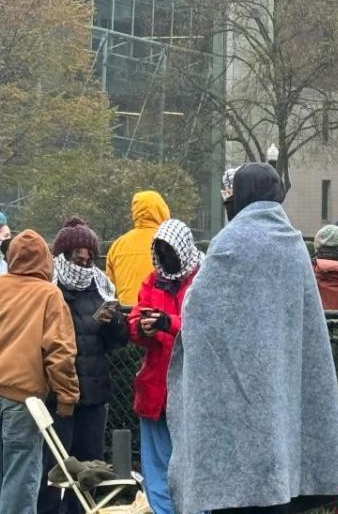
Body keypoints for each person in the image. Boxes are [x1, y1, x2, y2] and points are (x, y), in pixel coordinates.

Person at [167, 163, 338, 513]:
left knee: (239, 491)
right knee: (276, 487)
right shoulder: (293, 244)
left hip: (236, 409)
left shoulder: (231, 242)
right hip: (280, 394)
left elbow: (197, 309)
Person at [0, 230, 79, 514]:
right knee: (22, 479)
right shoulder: (49, 294)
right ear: (46, 260)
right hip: (24, 399)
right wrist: (67, 398)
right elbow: (61, 352)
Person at [38, 218, 127, 514]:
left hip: (94, 393)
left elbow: (118, 340)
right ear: (63, 253)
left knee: (89, 466)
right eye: (78, 251)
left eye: (89, 251)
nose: (85, 258)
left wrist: (113, 321)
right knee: (53, 469)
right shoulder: (49, 287)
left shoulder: (101, 286)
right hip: (58, 394)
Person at [127, 219, 201, 514]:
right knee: (157, 471)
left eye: (169, 251)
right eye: (161, 252)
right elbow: (134, 319)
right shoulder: (153, 280)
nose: (165, 258)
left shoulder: (202, 279)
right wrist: (141, 328)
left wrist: (167, 323)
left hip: (190, 390)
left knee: (191, 470)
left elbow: (207, 328)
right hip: (156, 390)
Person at [106, 191, 171, 306]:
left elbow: (108, 288)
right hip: (161, 316)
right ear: (162, 210)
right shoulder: (169, 241)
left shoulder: (118, 245)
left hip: (127, 315)